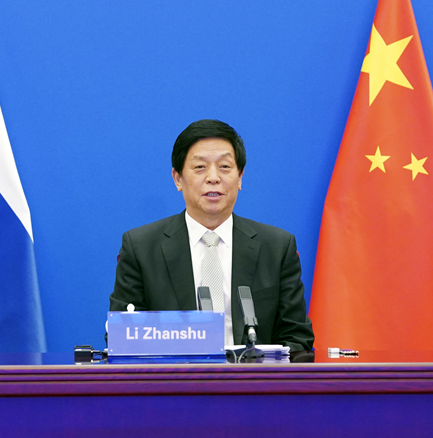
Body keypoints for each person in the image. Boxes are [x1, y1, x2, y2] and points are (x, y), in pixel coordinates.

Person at [109, 119, 315, 355]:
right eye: (200, 167)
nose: (213, 177)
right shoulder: (142, 248)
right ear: (178, 178)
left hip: (252, 377)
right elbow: (123, 338)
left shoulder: (277, 248)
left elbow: (297, 339)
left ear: (240, 177)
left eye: (225, 167)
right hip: (176, 377)